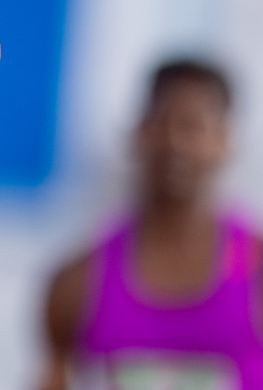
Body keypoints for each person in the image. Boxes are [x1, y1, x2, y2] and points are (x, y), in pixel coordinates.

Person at [38, 58, 263, 389]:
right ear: (139, 131)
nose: (174, 142)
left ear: (223, 141)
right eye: (161, 122)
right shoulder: (77, 282)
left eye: (192, 126)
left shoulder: (255, 270)